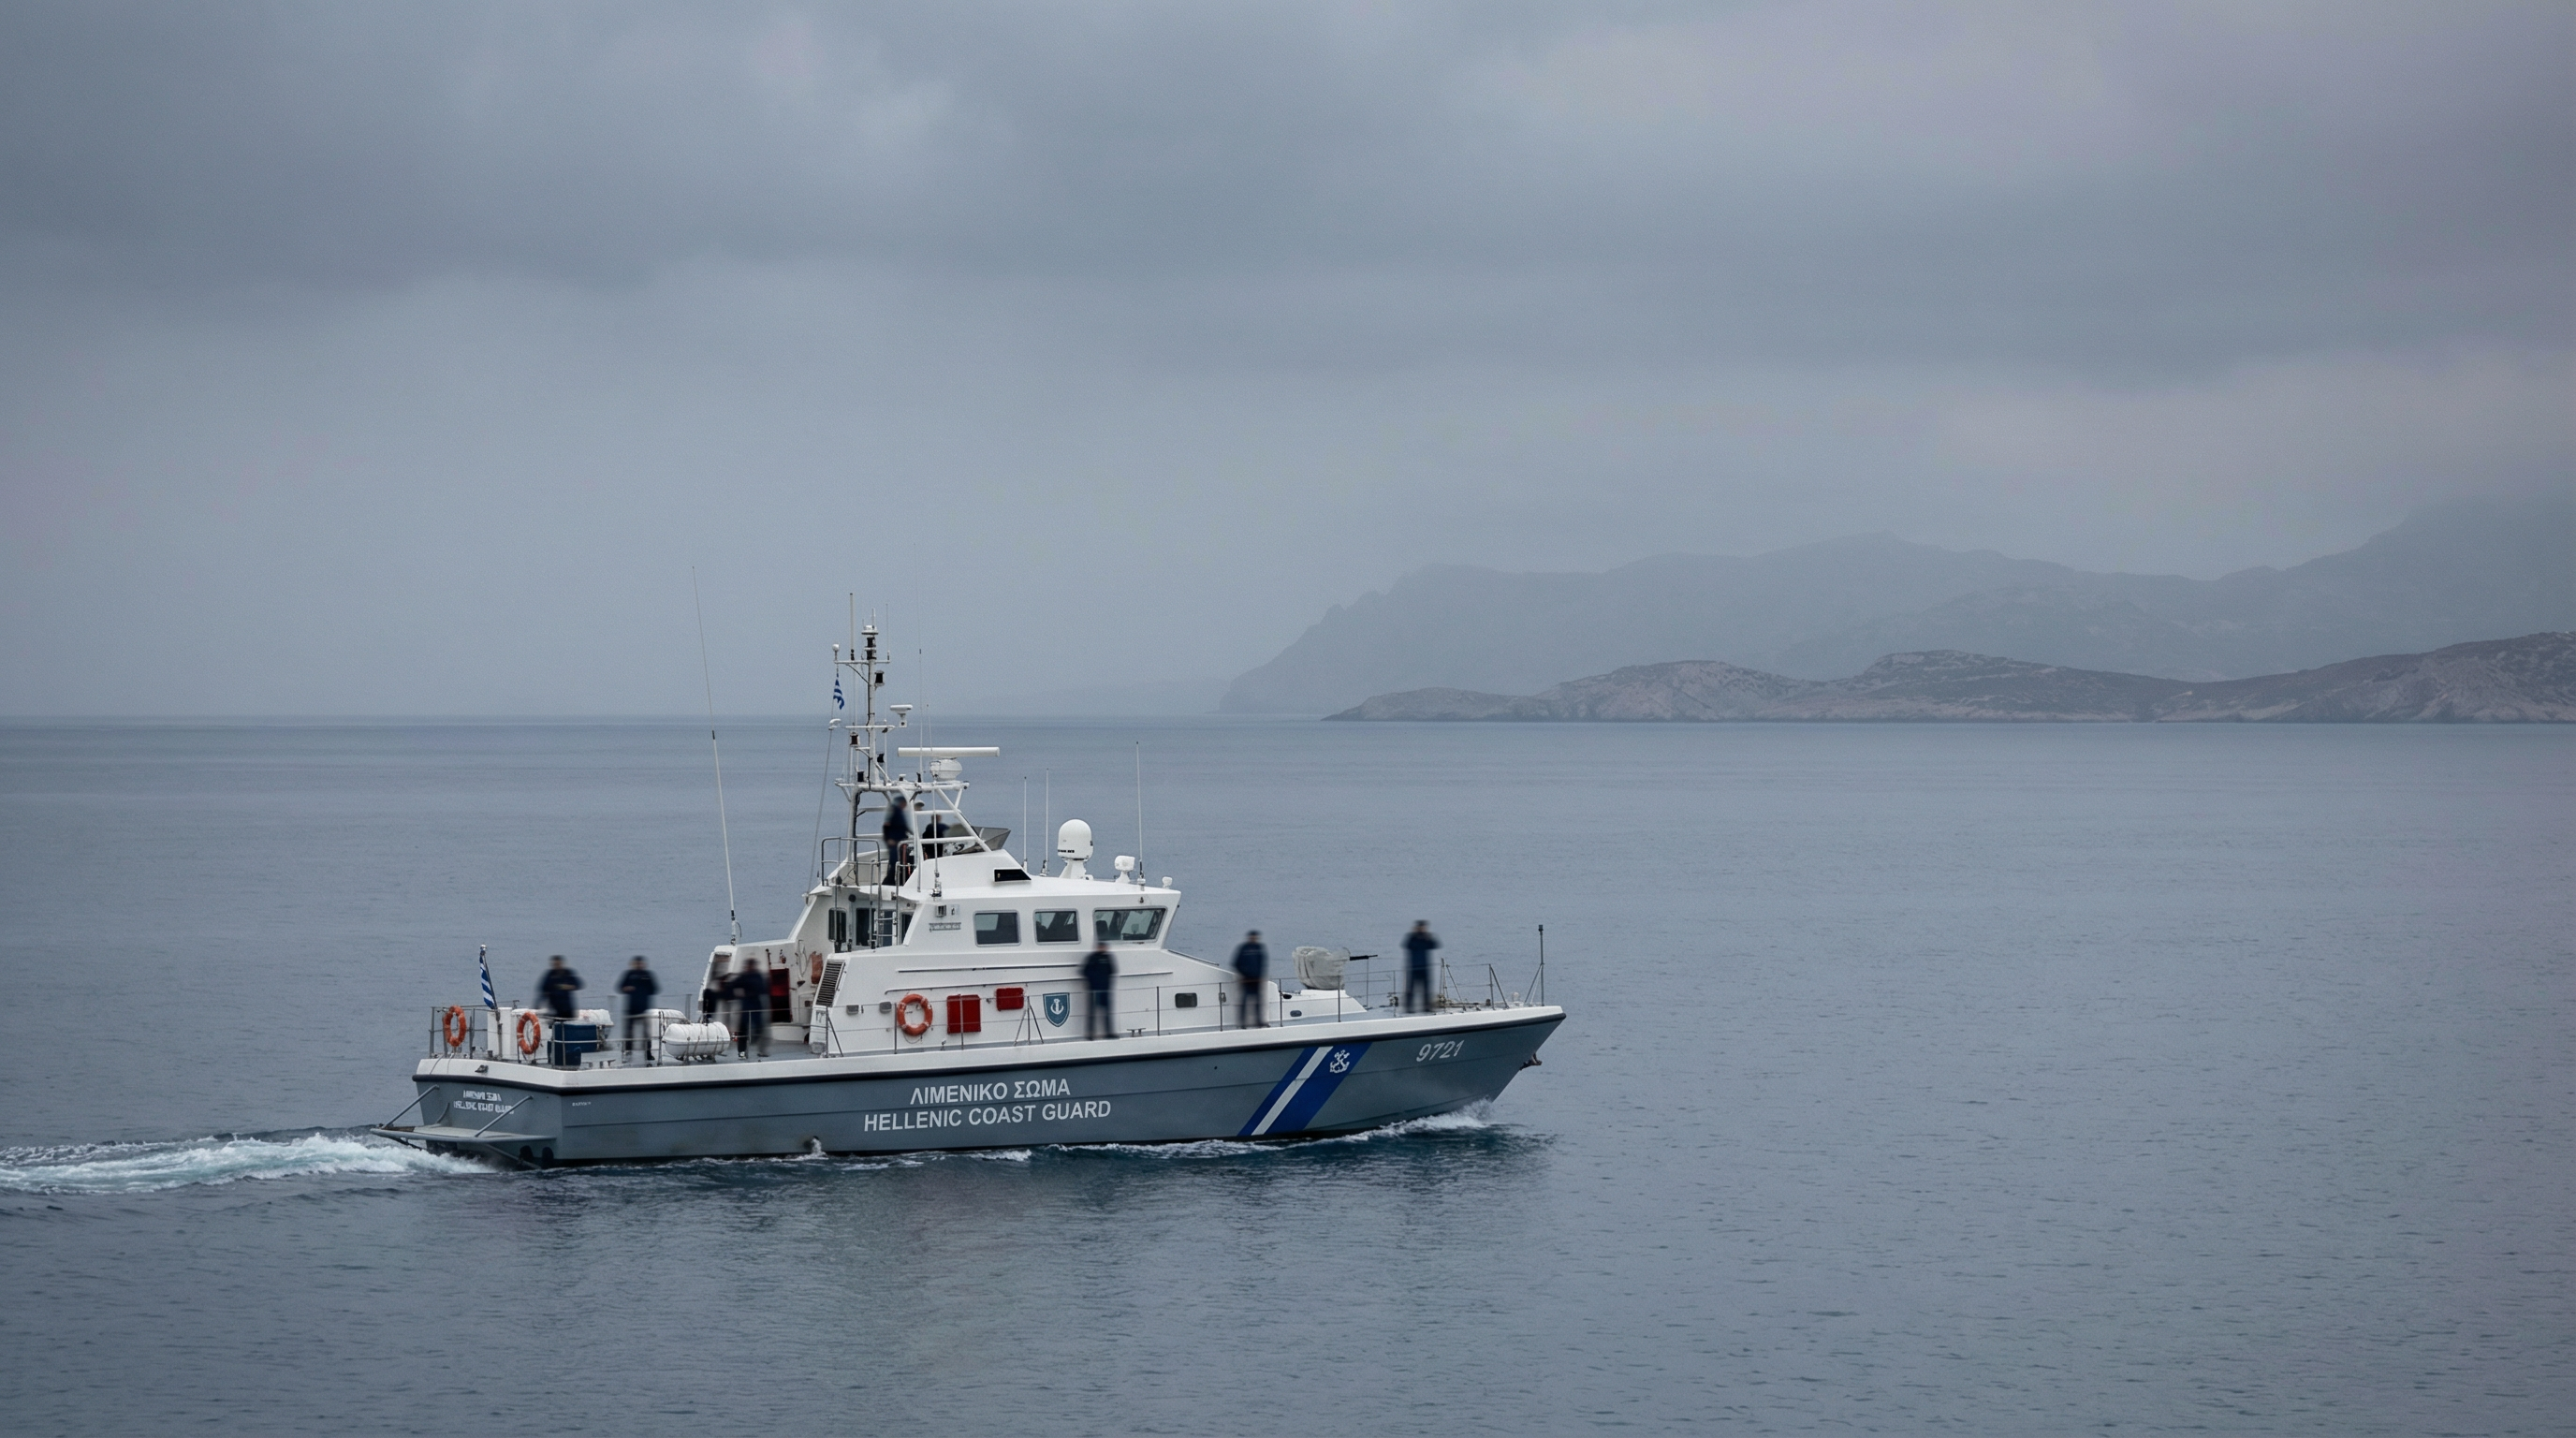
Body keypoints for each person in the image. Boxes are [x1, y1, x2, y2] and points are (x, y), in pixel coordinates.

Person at [616, 956, 657, 1062]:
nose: (639, 965)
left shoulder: (647, 975)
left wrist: (644, 988)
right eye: (637, 963)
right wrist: (626, 988)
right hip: (630, 1009)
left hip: (644, 1009)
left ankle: (648, 1053)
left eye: (640, 963)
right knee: (629, 1034)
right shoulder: (629, 975)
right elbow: (619, 987)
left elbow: (654, 989)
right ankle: (628, 1053)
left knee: (646, 1033)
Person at [729, 956, 770, 1057]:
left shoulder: (756, 976)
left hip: (756, 1005)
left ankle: (761, 1049)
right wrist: (737, 994)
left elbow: (761, 988)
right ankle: (742, 1051)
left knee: (760, 1029)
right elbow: (732, 985)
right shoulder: (744, 976)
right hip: (746, 1006)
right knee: (743, 1029)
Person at [1080, 941, 1118, 1040]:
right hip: (1094, 990)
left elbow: (1112, 970)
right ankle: (1090, 1034)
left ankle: (1109, 1032)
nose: (1102, 948)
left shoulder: (1108, 958)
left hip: (1105, 989)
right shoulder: (1092, 958)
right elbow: (1085, 971)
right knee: (1092, 1013)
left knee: (1107, 1013)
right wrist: (1093, 981)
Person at [1232, 930, 1268, 1028]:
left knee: (1258, 1002)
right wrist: (1243, 974)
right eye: (1252, 937)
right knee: (1244, 1001)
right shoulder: (1243, 948)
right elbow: (1236, 963)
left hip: (1257, 980)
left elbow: (1262, 964)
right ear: (1249, 937)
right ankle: (1242, 1023)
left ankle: (1259, 1021)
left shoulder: (1259, 948)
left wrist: (1261, 976)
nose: (1254, 938)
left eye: (1255, 937)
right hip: (1246, 980)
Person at [1401, 921, 1439, 1014]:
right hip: (1413, 967)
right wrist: (1417, 937)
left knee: (1427, 989)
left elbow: (1434, 945)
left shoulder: (1427, 937)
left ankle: (1427, 1007)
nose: (1422, 929)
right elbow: (1407, 945)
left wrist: (1428, 938)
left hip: (1425, 967)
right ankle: (1409, 1008)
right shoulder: (1412, 937)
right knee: (1410, 989)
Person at [537, 955, 582, 1020]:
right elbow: (543, 990)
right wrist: (537, 1005)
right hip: (555, 1009)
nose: (557, 966)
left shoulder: (567, 973)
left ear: (561, 963)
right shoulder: (550, 975)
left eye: (558, 964)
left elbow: (578, 984)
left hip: (568, 1009)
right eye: (555, 964)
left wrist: (569, 986)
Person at [880, 800, 912, 888]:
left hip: (901, 842)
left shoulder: (900, 813)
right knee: (895, 863)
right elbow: (886, 826)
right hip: (895, 843)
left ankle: (898, 881)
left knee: (900, 862)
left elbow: (904, 827)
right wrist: (888, 839)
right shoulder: (895, 812)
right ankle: (887, 884)